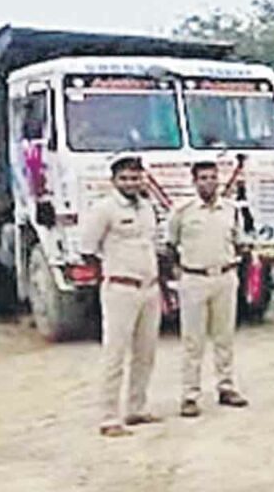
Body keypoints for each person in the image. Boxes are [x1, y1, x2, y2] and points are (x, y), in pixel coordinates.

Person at [80, 155, 162, 437]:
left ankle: (136, 408)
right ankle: (109, 417)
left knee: (146, 352)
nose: (131, 183)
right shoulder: (104, 209)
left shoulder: (148, 207)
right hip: (120, 288)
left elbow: (153, 244)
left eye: (135, 177)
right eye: (125, 178)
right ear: (114, 181)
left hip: (150, 288)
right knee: (115, 353)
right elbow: (88, 248)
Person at [168, 161, 249, 418]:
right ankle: (190, 395)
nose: (209, 182)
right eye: (203, 178)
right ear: (194, 182)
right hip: (194, 279)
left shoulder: (231, 210)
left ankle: (226, 387)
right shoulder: (183, 211)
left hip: (224, 276)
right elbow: (170, 245)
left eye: (213, 177)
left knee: (224, 337)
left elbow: (240, 242)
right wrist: (178, 273)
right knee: (193, 341)